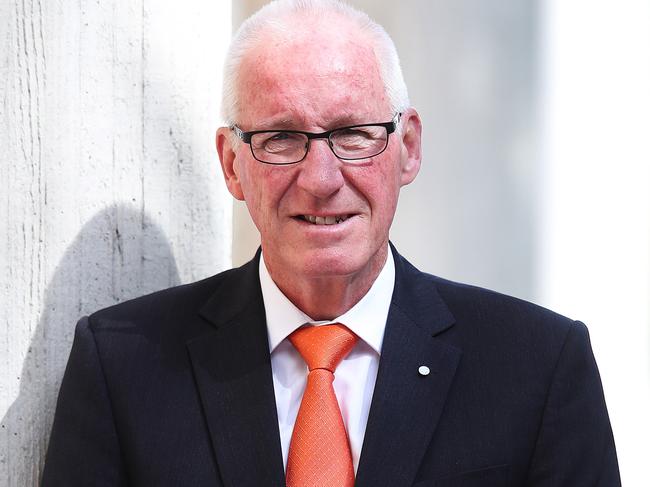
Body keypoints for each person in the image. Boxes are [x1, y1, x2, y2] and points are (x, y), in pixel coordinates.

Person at [42, 1, 620, 485]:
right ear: (232, 164)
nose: (321, 180)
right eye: (282, 138)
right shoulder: (122, 366)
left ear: (409, 148)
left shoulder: (538, 367)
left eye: (353, 134)